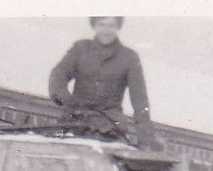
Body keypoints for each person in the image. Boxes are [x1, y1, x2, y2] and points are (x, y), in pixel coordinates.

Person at [48, 17, 161, 150]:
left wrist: (146, 140)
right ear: (94, 26)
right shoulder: (80, 49)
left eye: (111, 26)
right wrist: (66, 99)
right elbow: (58, 74)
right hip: (75, 122)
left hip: (109, 129)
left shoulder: (129, 57)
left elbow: (140, 101)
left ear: (117, 27)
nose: (106, 30)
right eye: (101, 25)